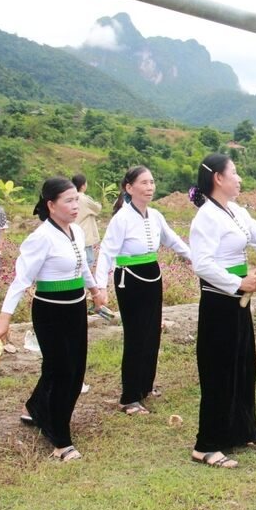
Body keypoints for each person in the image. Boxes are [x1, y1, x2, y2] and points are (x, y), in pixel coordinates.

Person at [0, 177, 105, 462]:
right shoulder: (40, 238)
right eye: (68, 201)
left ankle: (35, 408)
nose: (75, 205)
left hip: (76, 307)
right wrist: (4, 320)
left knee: (73, 370)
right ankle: (60, 439)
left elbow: (82, 265)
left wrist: (95, 290)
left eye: (76, 199)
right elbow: (20, 281)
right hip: (50, 311)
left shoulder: (75, 231)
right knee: (62, 372)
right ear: (51, 205)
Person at [189, 153, 256, 468]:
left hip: (238, 299)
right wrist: (238, 283)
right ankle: (206, 445)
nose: (239, 178)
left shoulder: (233, 210)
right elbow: (203, 264)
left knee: (242, 365)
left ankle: (238, 430)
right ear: (218, 179)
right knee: (218, 371)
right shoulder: (206, 217)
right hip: (219, 300)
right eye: (234, 173)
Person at [94, 166, 191, 415]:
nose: (150, 187)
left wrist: (194, 258)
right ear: (129, 188)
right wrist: (99, 287)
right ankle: (129, 397)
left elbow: (171, 240)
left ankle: (146, 386)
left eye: (152, 182)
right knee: (136, 336)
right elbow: (106, 251)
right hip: (130, 279)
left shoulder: (156, 215)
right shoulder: (122, 218)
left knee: (152, 333)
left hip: (152, 275)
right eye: (144, 183)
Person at [72, 174, 101, 269]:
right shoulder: (84, 198)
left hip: (72, 233)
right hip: (85, 234)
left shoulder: (70, 197)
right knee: (88, 260)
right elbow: (97, 208)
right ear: (83, 186)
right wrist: (98, 203)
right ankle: (84, 281)